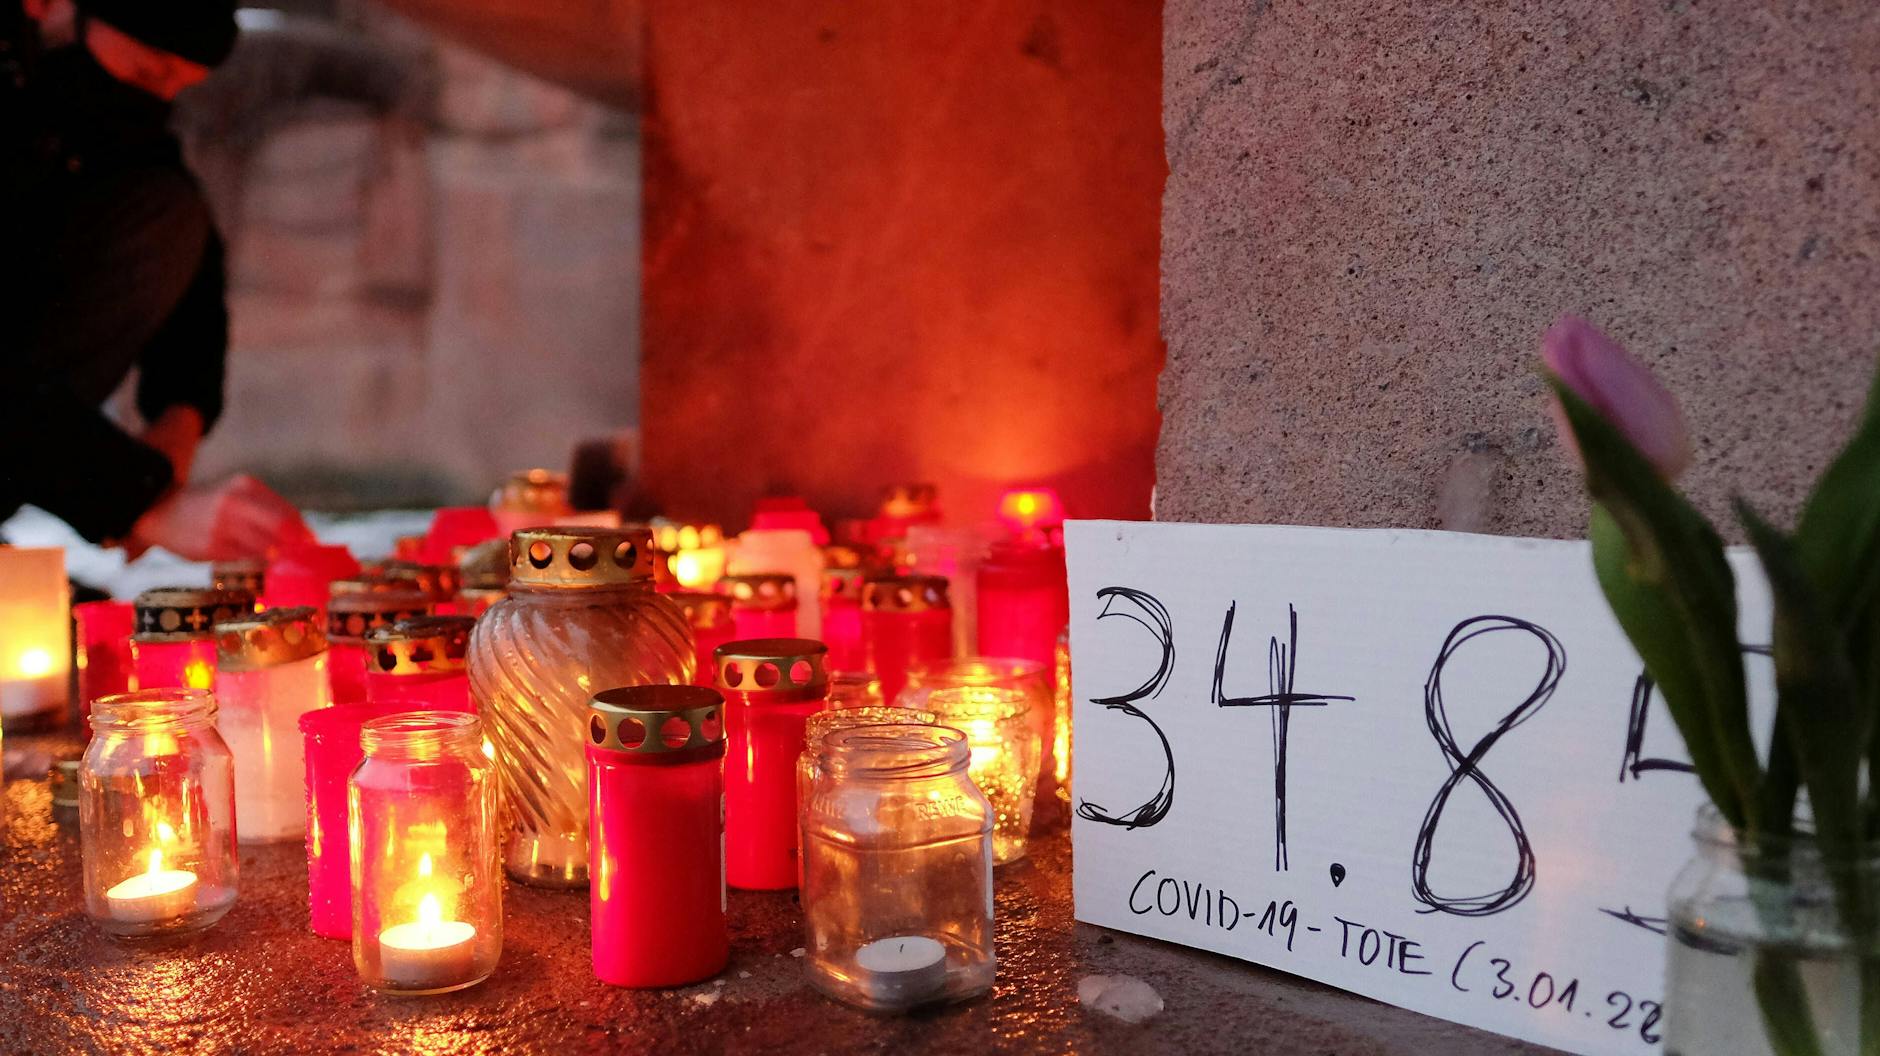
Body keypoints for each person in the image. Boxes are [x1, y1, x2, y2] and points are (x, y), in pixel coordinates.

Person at [1, 0, 309, 561]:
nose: (155, 98)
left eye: (177, 87)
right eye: (147, 73)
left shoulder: (69, 93)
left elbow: (173, 223)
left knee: (166, 211)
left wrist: (180, 414)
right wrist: (142, 502)